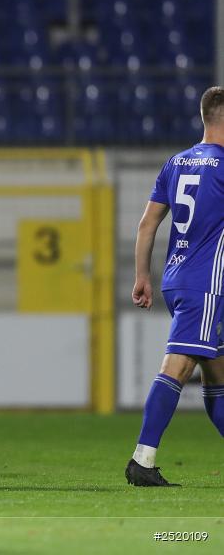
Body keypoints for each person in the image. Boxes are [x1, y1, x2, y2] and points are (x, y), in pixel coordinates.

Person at [127, 85, 224, 486]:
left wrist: (142, 277)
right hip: (207, 284)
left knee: (218, 376)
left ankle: (143, 460)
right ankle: (142, 460)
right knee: (178, 367)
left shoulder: (177, 163)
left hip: (176, 278)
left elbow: (147, 223)